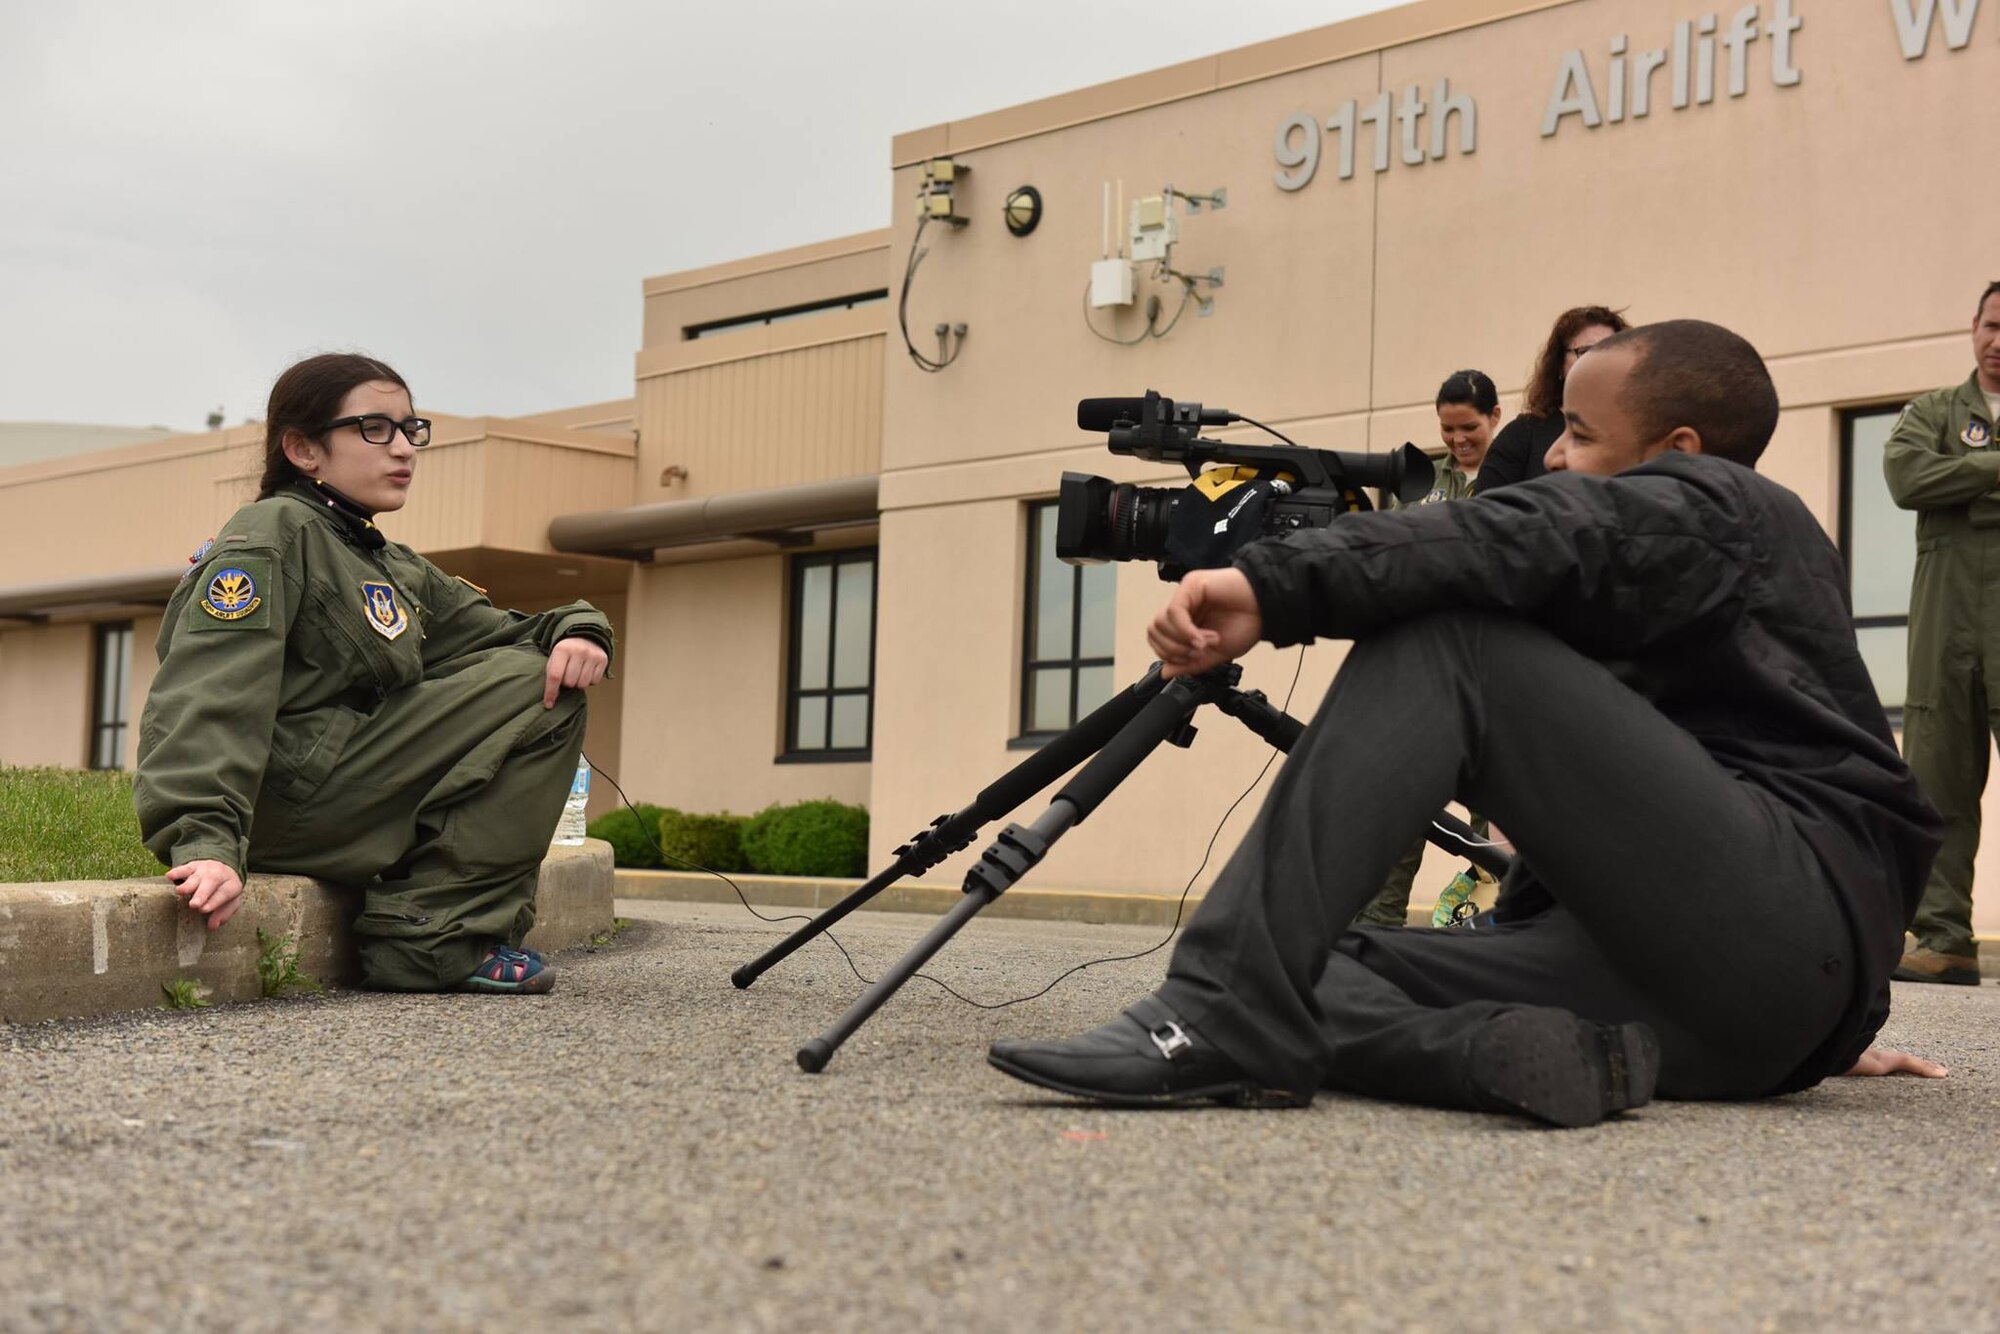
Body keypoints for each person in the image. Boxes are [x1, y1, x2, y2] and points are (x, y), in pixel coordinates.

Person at [988, 320, 1947, 1126]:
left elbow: (1528, 534)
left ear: (1678, 453)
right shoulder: (1641, 584)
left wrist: (1271, 586)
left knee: (1451, 635)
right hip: (1692, 1008)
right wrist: (1818, 1026)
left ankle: (1222, 1011)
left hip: (1773, 933)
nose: (1555, 457)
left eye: (1577, 433)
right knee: (1324, 965)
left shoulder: (1734, 508)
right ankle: (1478, 1054)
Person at [134, 353, 613, 995]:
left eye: (411, 428)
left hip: (338, 792)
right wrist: (206, 843)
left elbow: (511, 634)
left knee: (543, 678)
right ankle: (433, 940)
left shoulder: (383, 560)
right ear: (303, 448)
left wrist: (580, 630)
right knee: (534, 686)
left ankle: (435, 926)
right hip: (279, 805)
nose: (404, 449)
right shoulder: (271, 535)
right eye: (374, 428)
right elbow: (210, 694)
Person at [1882, 280, 2000, 987]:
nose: (1999, 341)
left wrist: (1965, 482)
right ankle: (1945, 936)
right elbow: (1905, 475)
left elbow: (1938, 480)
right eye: (1992, 325)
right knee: (1940, 779)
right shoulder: (1931, 412)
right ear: (1974, 327)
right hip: (1947, 620)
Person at [1360, 369, 1505, 929]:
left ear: (1495, 416)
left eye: (1468, 426)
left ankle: (1500, 922)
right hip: (1420, 663)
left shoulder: (1517, 476)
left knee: (1493, 809)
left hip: (1491, 666)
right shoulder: (1419, 480)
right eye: (1446, 429)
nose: (1457, 439)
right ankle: (1377, 924)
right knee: (1404, 794)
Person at [1476, 306, 1628, 493]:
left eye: (1609, 351)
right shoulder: (1523, 435)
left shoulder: (1639, 432)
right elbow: (1485, 511)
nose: (1599, 362)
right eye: (1586, 352)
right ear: (1559, 365)